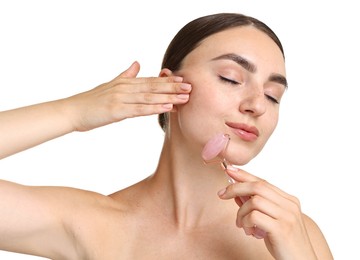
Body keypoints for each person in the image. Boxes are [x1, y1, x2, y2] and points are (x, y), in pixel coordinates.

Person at [0, 12, 333, 259]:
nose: (258, 104)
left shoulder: (291, 231)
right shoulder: (93, 222)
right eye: (231, 78)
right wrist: (74, 112)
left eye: (274, 95)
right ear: (168, 86)